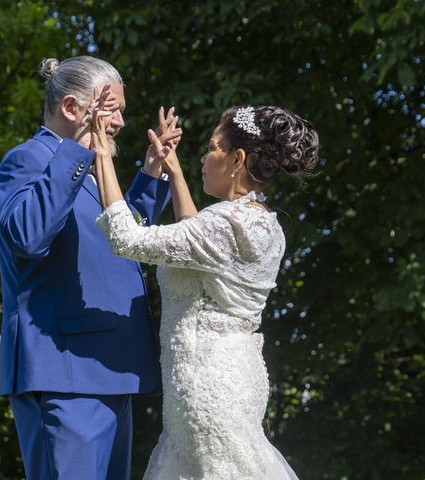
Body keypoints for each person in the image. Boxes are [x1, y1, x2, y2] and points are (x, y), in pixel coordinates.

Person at [91, 87, 319, 479]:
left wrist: (100, 154)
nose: (203, 155)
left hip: (206, 382)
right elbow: (197, 244)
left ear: (237, 159)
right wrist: (175, 171)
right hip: (232, 375)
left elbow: (126, 239)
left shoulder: (224, 225)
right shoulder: (259, 222)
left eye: (213, 147)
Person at [0, 57, 181, 480]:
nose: (120, 123)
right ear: (73, 108)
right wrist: (79, 150)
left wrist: (151, 171)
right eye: (112, 109)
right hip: (64, 372)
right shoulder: (25, 160)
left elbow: (119, 237)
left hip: (112, 367)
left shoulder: (92, 170)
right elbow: (28, 236)